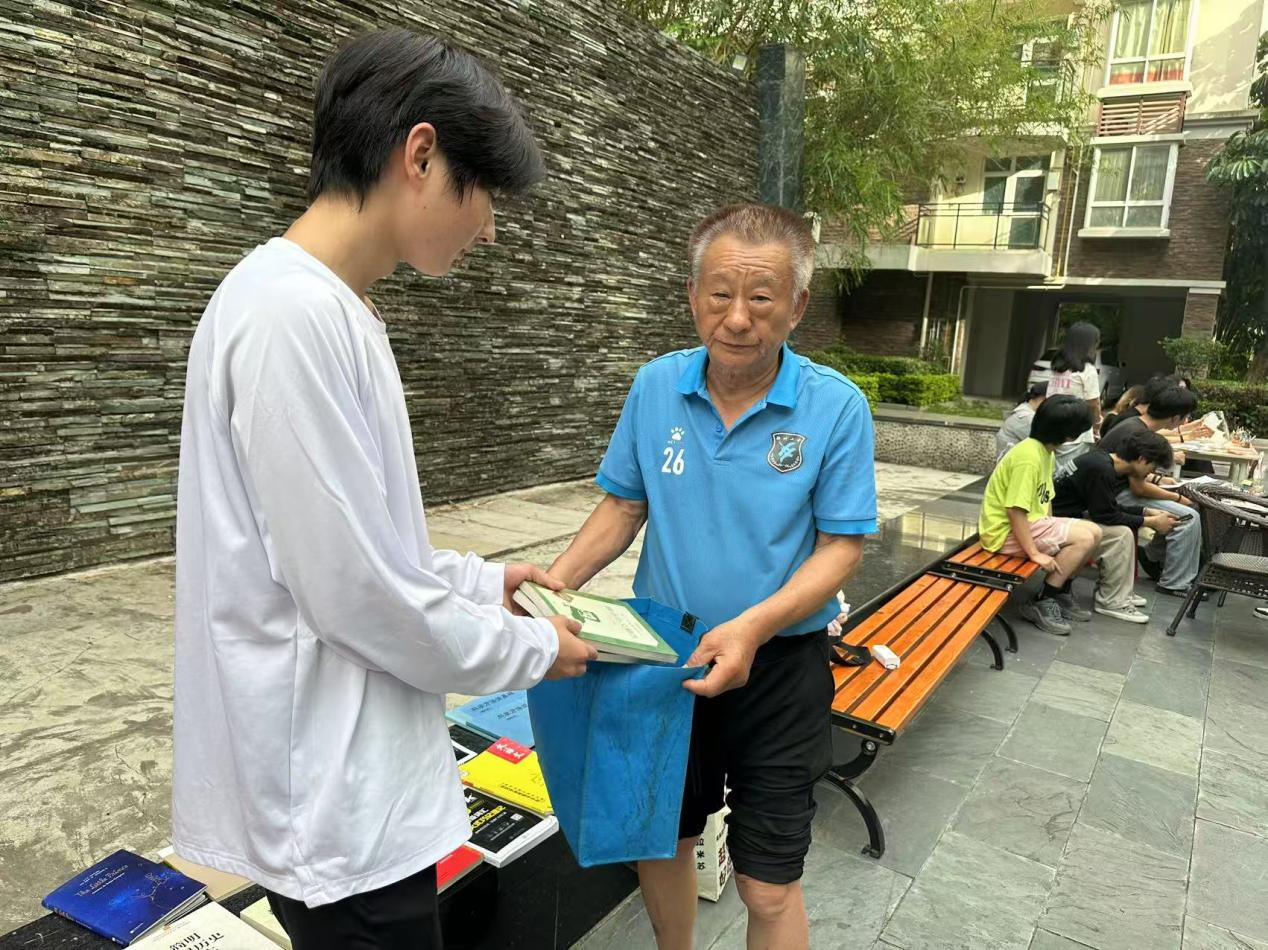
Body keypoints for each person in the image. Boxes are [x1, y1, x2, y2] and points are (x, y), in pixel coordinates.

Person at [172, 31, 597, 950]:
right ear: (422, 155)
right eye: (486, 195)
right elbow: (355, 594)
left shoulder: (333, 307)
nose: (489, 228)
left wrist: (484, 582)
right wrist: (531, 649)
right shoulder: (289, 315)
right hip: (335, 801)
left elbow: (365, 548)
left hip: (354, 779)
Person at [548, 204, 878, 950]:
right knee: (664, 839)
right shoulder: (656, 386)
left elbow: (841, 548)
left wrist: (752, 628)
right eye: (720, 294)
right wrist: (553, 587)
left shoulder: (835, 407)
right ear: (693, 294)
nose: (736, 318)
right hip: (665, 658)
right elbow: (624, 504)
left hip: (780, 666)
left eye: (760, 298)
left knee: (768, 883)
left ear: (796, 305)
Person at [980, 396, 1103, 636]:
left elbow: (1045, 501)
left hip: (1029, 524)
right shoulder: (1028, 457)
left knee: (1095, 532)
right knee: (1084, 539)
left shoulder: (1045, 452)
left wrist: (1055, 529)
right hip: (1003, 533)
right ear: (1070, 435)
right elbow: (1015, 510)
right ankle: (1043, 600)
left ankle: (1061, 591)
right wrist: (1035, 553)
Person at [1053, 429, 1180, 623]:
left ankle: (1119, 592)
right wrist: (1151, 522)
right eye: (1153, 467)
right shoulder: (1102, 469)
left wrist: (1146, 512)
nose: (1151, 473)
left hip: (1064, 519)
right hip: (1056, 523)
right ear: (1142, 459)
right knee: (1120, 535)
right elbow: (1105, 515)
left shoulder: (1102, 461)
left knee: (1121, 532)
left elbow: (1106, 506)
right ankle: (1112, 600)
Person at [1096, 385, 1203, 596]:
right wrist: (1177, 497)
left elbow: (1135, 475)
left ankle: (1153, 556)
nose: (1185, 422)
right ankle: (1174, 583)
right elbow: (1138, 488)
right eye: (1185, 417)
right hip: (1112, 495)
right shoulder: (1137, 432)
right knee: (1189, 517)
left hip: (1114, 488)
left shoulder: (1135, 424)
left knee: (1188, 507)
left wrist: (1161, 481)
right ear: (1175, 418)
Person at [1045, 322, 1103, 477]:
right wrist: (1097, 426)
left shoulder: (1058, 367)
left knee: (1051, 472)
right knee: (1068, 474)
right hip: (1077, 431)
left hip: (1053, 426)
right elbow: (1094, 403)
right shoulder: (1087, 370)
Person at [995, 382, 1047, 462]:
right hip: (1015, 465)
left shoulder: (1026, 412)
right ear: (1043, 399)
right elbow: (1047, 444)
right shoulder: (1026, 418)